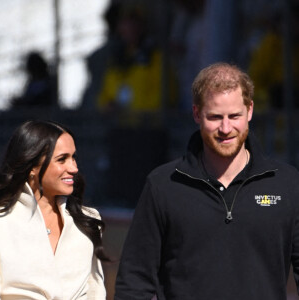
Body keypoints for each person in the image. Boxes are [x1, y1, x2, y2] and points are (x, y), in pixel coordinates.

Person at [114, 62, 299, 300]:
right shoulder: (163, 185)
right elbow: (134, 282)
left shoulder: (287, 184)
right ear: (196, 114)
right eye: (214, 117)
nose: (225, 128)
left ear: (250, 111)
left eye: (234, 116)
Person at [0, 120, 106, 299]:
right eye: (62, 159)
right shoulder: (3, 222)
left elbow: (96, 290)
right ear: (32, 166)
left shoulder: (87, 220)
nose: (74, 168)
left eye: (74, 158)